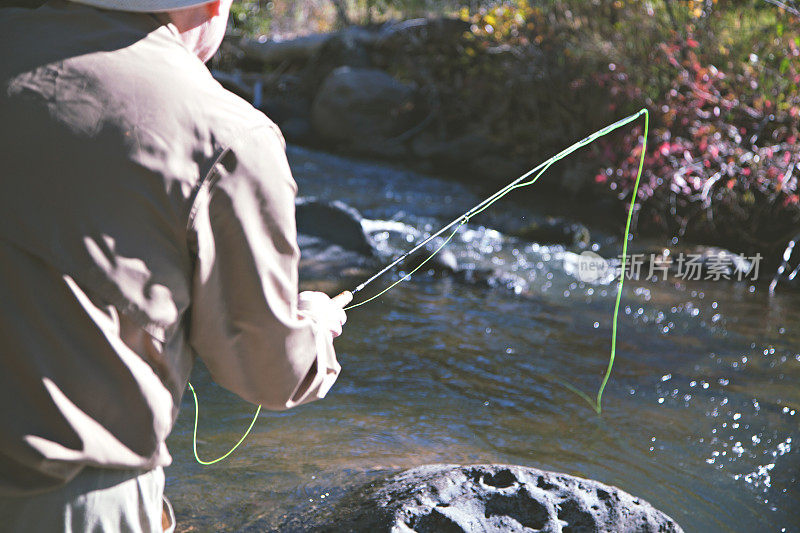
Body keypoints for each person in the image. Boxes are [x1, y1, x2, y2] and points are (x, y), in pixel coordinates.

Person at [0, 0, 351, 529]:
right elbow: (268, 371)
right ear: (211, 6)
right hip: (61, 503)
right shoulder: (226, 131)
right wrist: (315, 332)